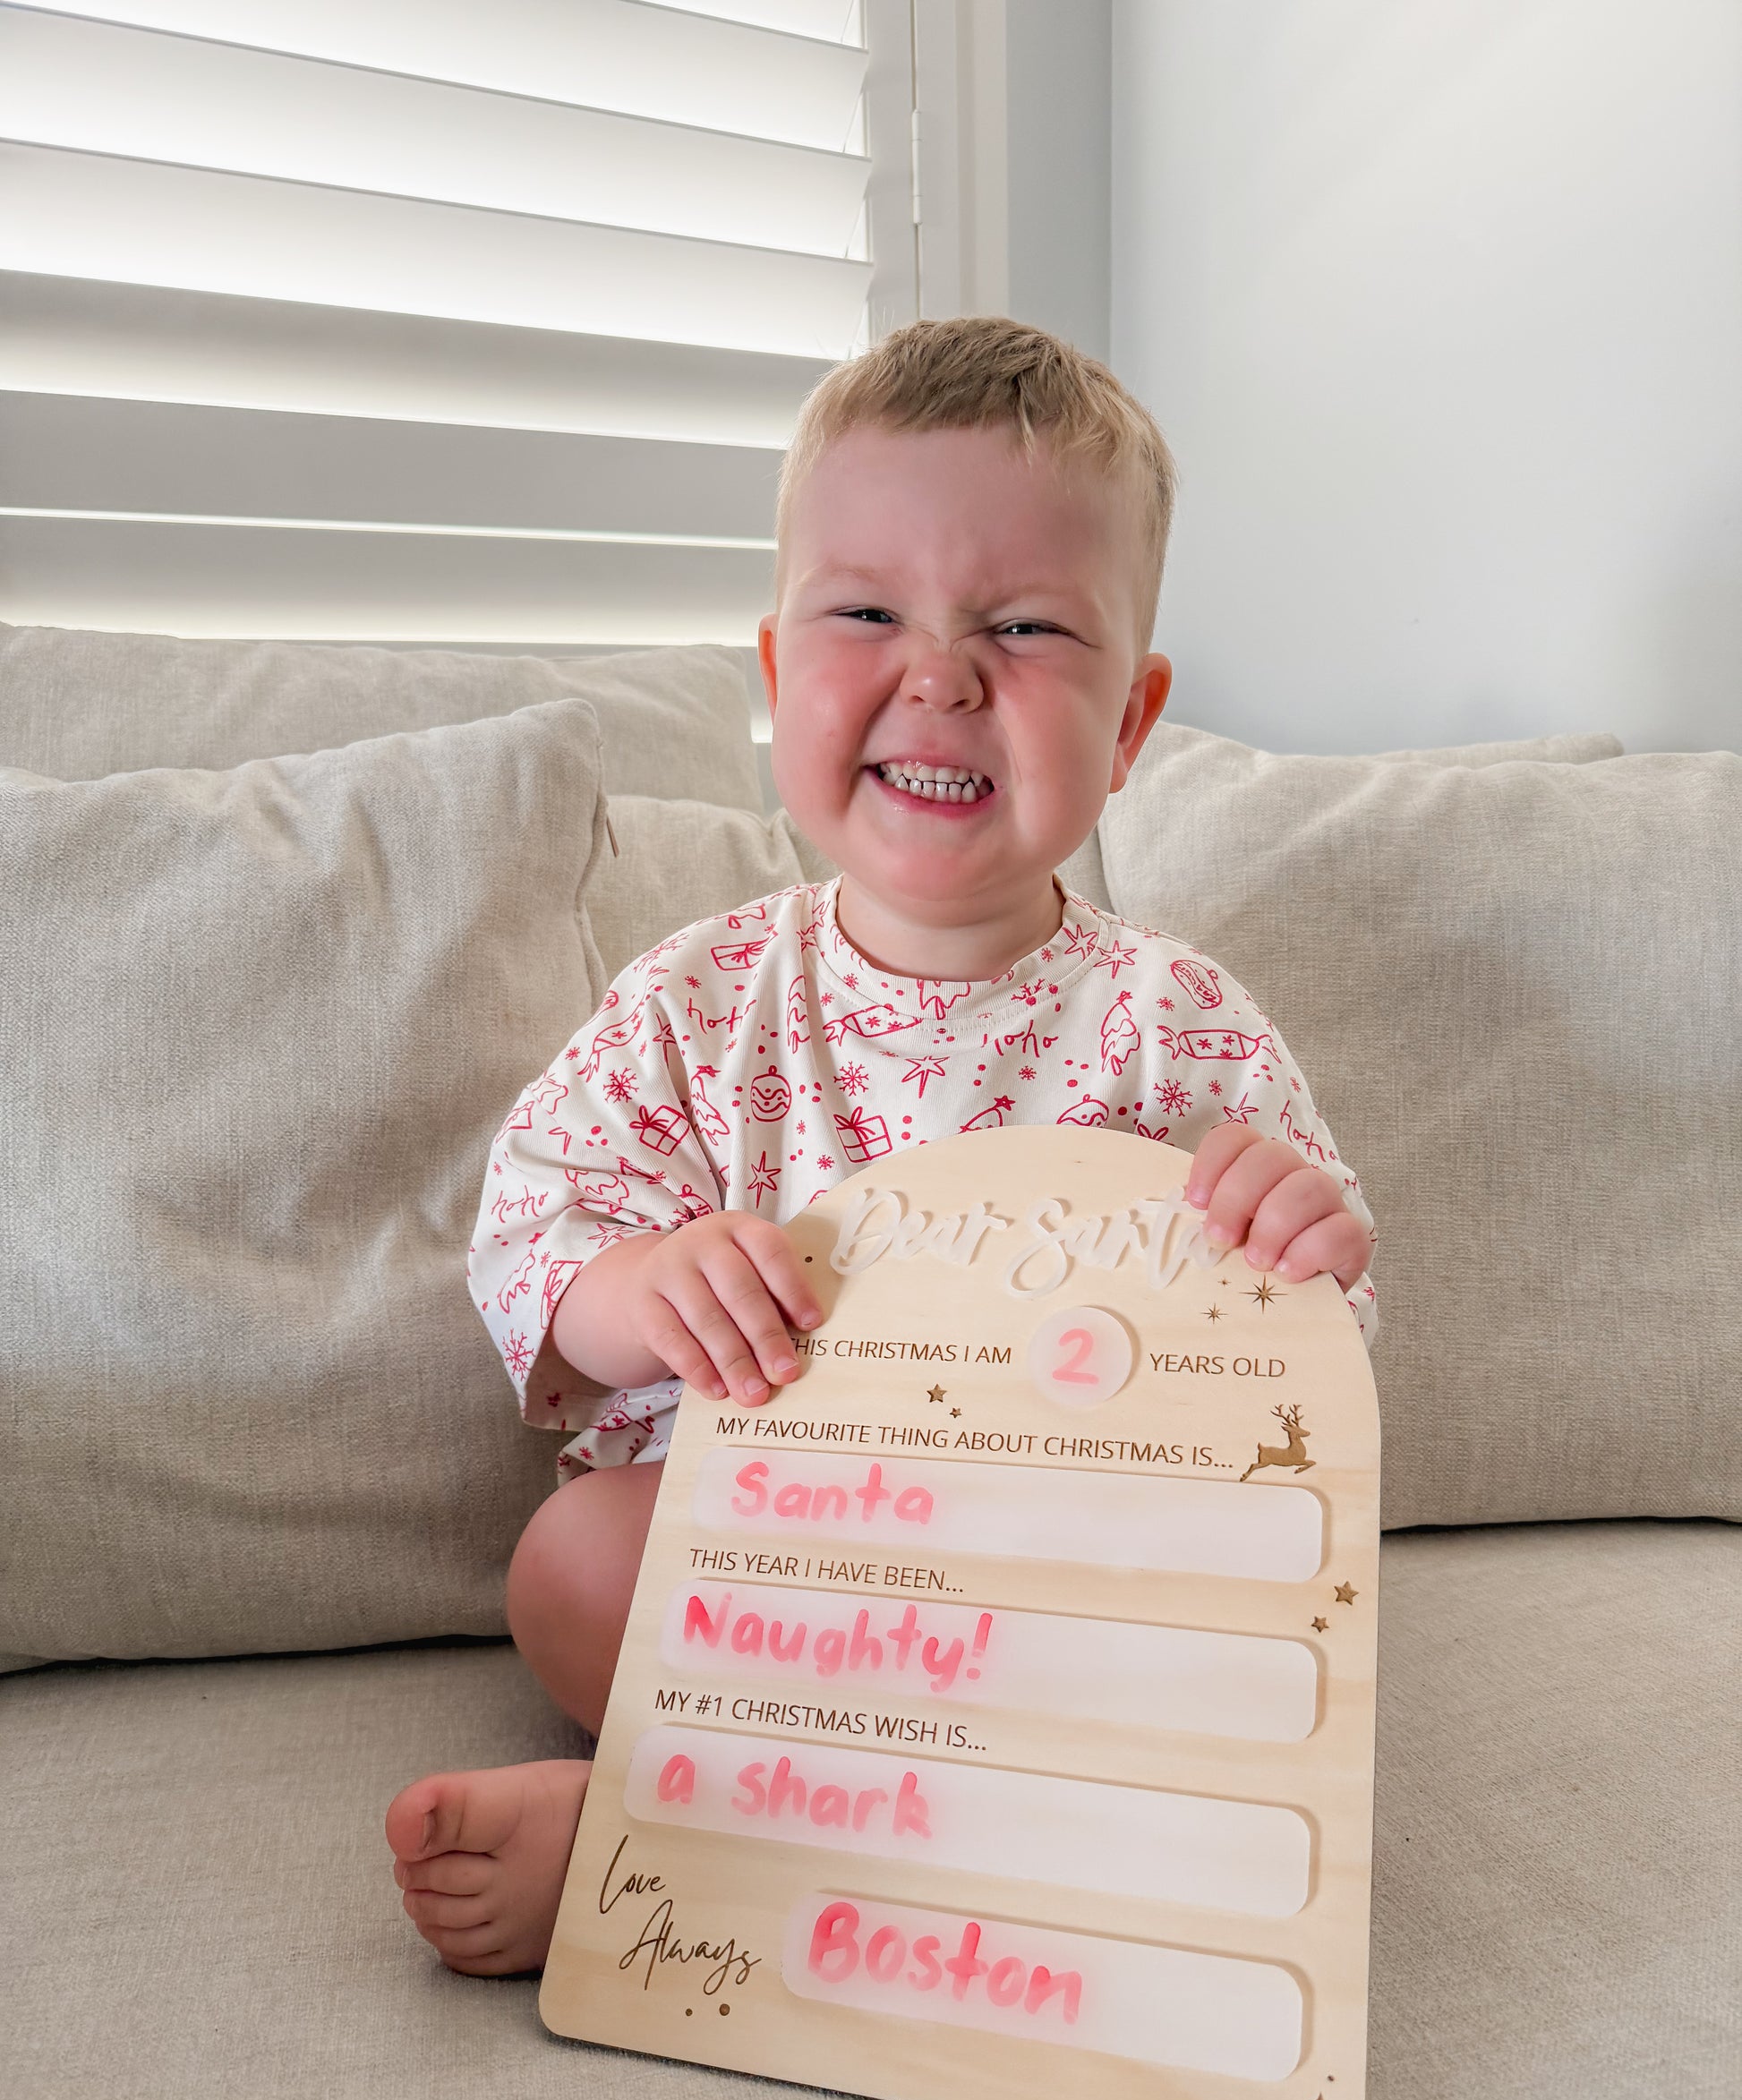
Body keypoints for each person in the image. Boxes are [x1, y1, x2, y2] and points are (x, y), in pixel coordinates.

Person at [386, 318, 1378, 1974]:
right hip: (770, 1561)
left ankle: (673, 1832)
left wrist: (1299, 1251)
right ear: (779, 676)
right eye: (864, 614)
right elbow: (536, 1240)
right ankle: (968, 1825)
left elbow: (1307, 1384)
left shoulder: (1176, 1023)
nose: (941, 676)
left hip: (1055, 1576)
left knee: (1253, 1631)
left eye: (1024, 627)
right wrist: (641, 1288)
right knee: (577, 1559)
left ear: (1129, 726)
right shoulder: (698, 1001)